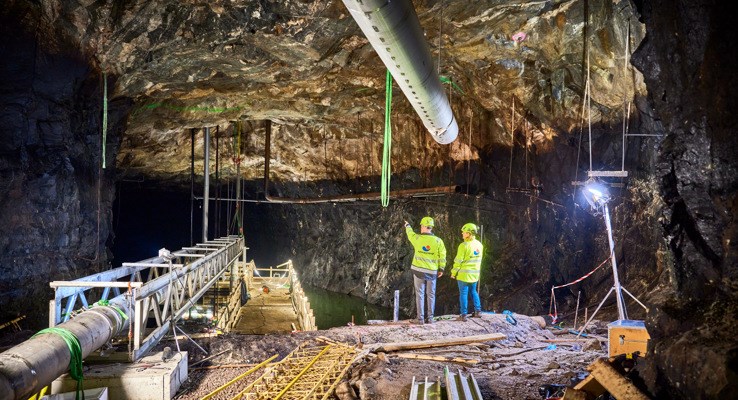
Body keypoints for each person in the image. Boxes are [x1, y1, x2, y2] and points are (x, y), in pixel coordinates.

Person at [404, 216, 446, 324]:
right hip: (432, 272)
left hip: (418, 271)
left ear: (423, 226)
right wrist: (441, 268)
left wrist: (407, 225)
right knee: (431, 294)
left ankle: (420, 319)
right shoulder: (438, 241)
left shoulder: (417, 238)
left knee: (420, 294)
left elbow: (410, 234)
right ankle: (430, 318)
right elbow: (442, 255)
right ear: (431, 227)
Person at [450, 223, 484, 321]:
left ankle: (463, 315)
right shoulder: (479, 245)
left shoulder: (463, 246)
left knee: (463, 294)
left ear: (469, 233)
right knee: (473, 292)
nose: (462, 234)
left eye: (464, 232)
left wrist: (453, 273)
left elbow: (458, 261)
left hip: (464, 275)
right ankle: (478, 311)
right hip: (475, 275)